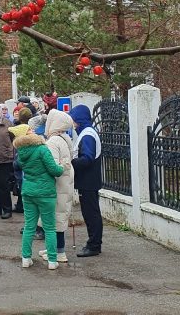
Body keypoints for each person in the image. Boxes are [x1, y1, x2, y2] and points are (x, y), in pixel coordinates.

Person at [13, 122, 65, 270]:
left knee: (29, 226)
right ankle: (53, 261)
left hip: (28, 191)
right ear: (26, 134)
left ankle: (26, 258)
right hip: (45, 192)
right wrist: (62, 166)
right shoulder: (42, 149)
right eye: (29, 129)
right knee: (49, 228)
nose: (33, 130)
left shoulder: (21, 152)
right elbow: (54, 170)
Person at [39, 110, 75, 263]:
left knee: (54, 218)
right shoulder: (65, 138)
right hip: (65, 183)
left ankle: (58, 252)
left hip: (56, 185)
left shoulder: (53, 142)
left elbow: (52, 165)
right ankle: (52, 248)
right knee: (59, 216)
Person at [70, 104, 103, 257]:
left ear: (79, 119)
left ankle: (94, 245)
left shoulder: (88, 135)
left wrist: (71, 162)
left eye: (74, 119)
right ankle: (94, 243)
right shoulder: (86, 132)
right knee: (90, 213)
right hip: (88, 180)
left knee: (91, 214)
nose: (73, 123)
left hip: (88, 181)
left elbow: (87, 159)